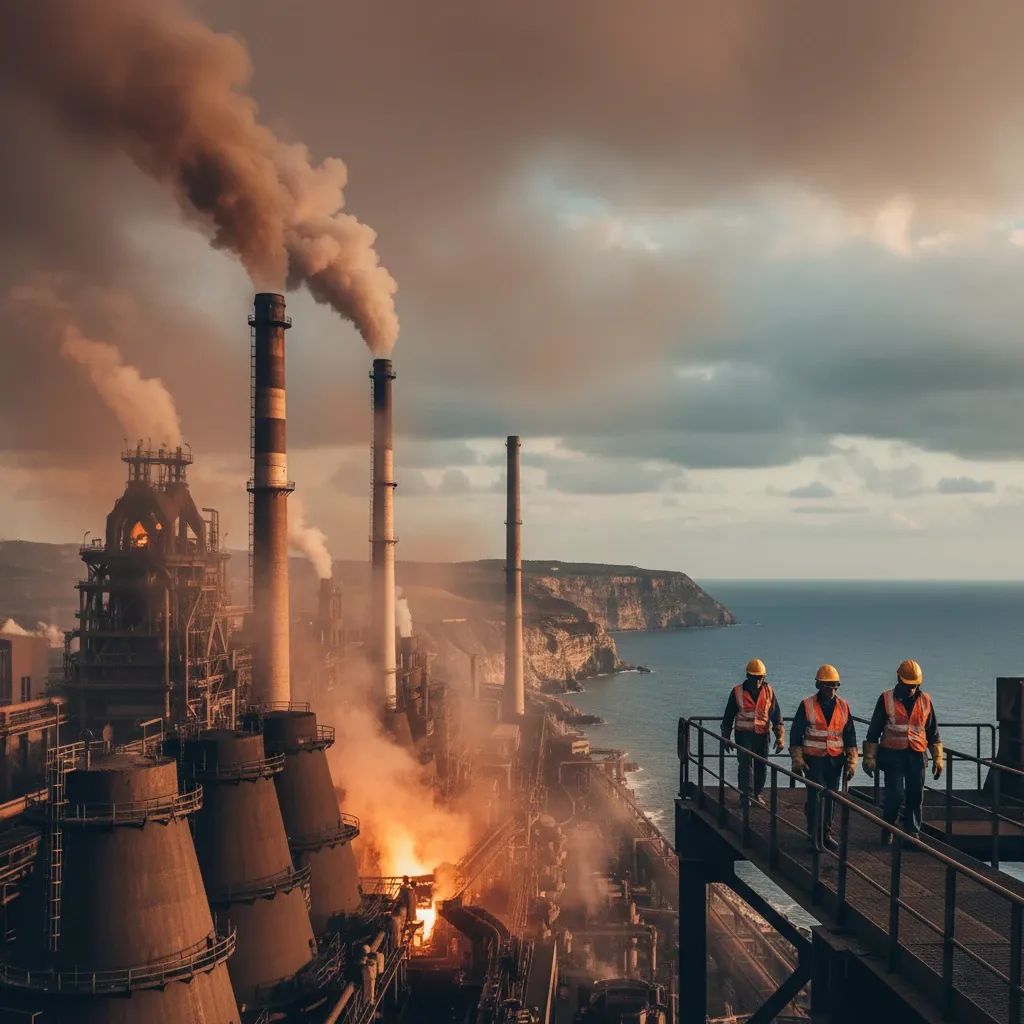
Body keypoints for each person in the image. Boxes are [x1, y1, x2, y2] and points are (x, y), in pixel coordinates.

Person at [863, 659, 944, 843]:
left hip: (916, 754)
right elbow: (874, 730)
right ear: (899, 679)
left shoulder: (925, 700)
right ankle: (888, 827)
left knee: (916, 795)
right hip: (893, 755)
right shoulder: (886, 699)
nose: (910, 689)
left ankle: (912, 833)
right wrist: (869, 757)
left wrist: (938, 758)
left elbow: (932, 732)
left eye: (914, 685)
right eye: (907, 685)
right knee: (895, 794)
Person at [789, 664, 857, 852]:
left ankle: (825, 834)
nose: (830, 689)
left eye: (833, 685)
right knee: (815, 797)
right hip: (814, 761)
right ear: (819, 686)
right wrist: (798, 759)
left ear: (837, 686)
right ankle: (814, 834)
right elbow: (796, 734)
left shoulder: (843, 707)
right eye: (826, 686)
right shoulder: (807, 705)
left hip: (835, 761)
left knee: (831, 799)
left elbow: (850, 736)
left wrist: (852, 762)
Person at [721, 658, 784, 804]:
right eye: (755, 678)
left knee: (761, 765)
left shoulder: (769, 691)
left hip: (762, 735)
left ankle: (757, 794)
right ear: (748, 676)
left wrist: (780, 738)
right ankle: (745, 795)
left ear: (764, 678)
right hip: (743, 735)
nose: (757, 681)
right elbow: (728, 716)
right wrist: (726, 738)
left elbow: (776, 716)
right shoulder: (737, 692)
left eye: (760, 678)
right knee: (745, 764)